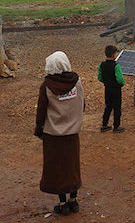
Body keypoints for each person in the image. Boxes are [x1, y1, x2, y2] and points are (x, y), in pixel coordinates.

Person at [34, 51, 84, 216]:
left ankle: (62, 203)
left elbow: (41, 110)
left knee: (58, 168)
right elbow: (82, 105)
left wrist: (39, 130)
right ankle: (73, 201)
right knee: (71, 166)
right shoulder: (77, 83)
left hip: (53, 135)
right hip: (72, 134)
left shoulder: (47, 86)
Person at [98, 45, 126, 133]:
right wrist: (122, 84)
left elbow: (99, 77)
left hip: (107, 89)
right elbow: (120, 79)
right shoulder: (116, 66)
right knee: (117, 107)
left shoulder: (101, 65)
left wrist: (106, 82)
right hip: (116, 90)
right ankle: (116, 126)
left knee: (108, 107)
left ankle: (104, 124)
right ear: (114, 55)